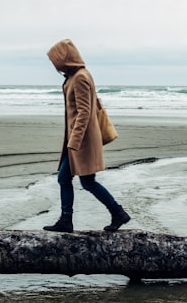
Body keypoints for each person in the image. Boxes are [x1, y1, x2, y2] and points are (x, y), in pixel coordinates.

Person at [43, 39, 132, 233]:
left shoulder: (80, 77)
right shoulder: (74, 76)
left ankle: (113, 213)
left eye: (56, 61)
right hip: (76, 140)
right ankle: (111, 213)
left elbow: (85, 112)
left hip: (81, 141)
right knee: (71, 179)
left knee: (78, 180)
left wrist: (74, 140)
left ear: (64, 58)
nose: (55, 66)